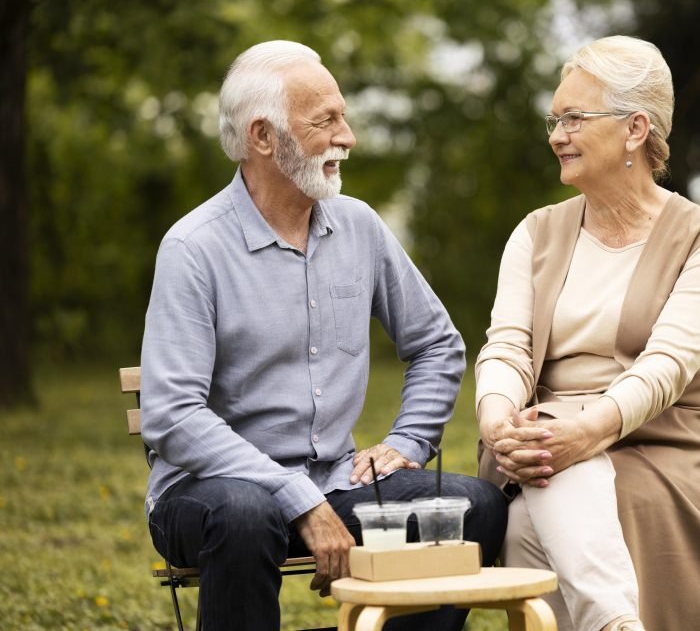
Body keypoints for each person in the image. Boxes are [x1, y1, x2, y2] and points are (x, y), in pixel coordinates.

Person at [140, 40, 507, 631]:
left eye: (344, 116)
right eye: (326, 120)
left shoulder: (360, 226)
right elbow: (172, 414)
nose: (349, 136)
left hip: (335, 484)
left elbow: (437, 343)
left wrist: (409, 441)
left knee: (475, 506)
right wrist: (297, 497)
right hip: (210, 495)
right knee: (245, 512)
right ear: (263, 137)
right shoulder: (193, 248)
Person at [475, 35, 700, 631]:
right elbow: (507, 346)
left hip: (662, 446)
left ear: (635, 128)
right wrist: (497, 423)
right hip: (541, 440)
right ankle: (616, 622)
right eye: (553, 119)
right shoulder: (536, 233)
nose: (556, 135)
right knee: (540, 482)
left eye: (574, 117)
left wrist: (581, 430)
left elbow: (665, 369)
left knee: (537, 498)